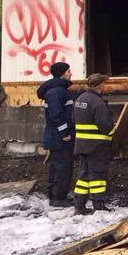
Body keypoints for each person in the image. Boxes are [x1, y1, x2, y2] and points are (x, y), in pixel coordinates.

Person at [72, 73, 113, 215]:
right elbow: (105, 125)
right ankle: (98, 205)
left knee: (83, 176)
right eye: (104, 83)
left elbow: (74, 119)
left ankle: (79, 206)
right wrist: (112, 132)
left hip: (82, 145)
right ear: (100, 85)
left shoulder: (80, 99)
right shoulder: (98, 102)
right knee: (97, 176)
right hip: (97, 145)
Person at [37, 61, 74, 208]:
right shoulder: (57, 92)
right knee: (62, 168)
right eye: (68, 71)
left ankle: (55, 196)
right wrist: (64, 133)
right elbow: (56, 115)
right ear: (63, 73)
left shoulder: (58, 90)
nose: (71, 73)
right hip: (59, 138)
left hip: (55, 137)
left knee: (57, 166)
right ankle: (58, 198)